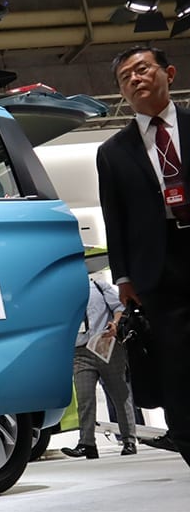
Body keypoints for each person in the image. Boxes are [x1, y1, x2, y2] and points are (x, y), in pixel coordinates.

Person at [96, 45, 190, 469]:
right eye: (125, 77)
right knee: (176, 367)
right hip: (158, 267)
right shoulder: (113, 151)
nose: (135, 79)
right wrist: (123, 277)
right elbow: (113, 218)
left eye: (142, 69)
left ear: (168, 73)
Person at [61, 277, 137, 458]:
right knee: (84, 398)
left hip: (106, 346)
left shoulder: (97, 285)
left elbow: (119, 307)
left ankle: (129, 440)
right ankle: (87, 443)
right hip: (80, 351)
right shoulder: (61, 292)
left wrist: (115, 324)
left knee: (120, 395)